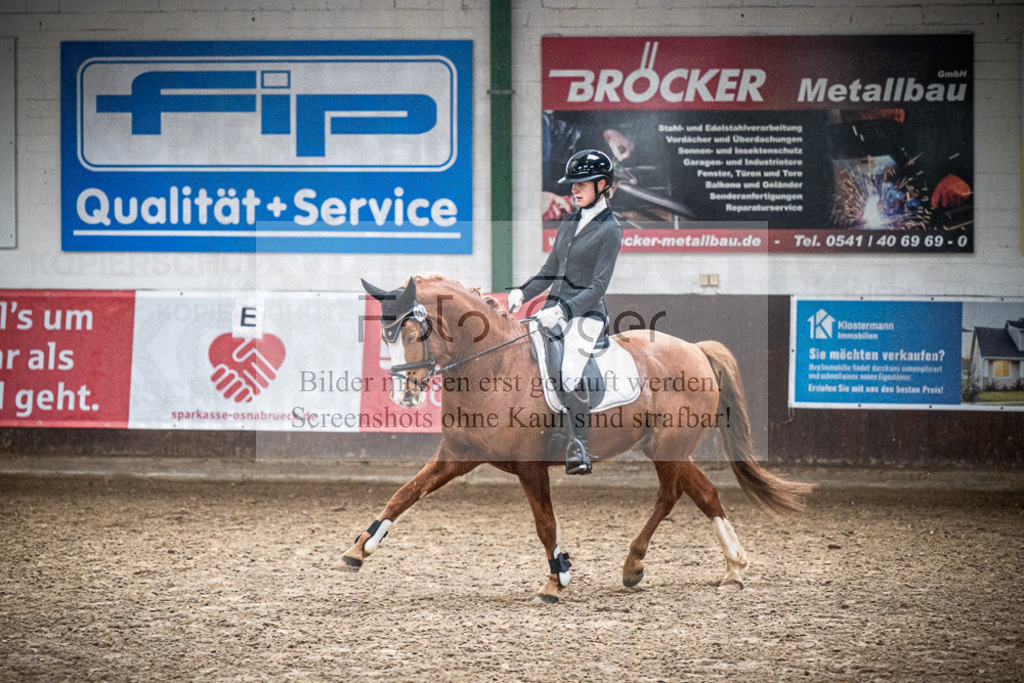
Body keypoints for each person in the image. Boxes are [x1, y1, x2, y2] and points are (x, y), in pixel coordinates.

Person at [509, 149, 623, 475]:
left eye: (581, 184)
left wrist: (565, 310)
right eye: (571, 184)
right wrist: (522, 291)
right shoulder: (570, 221)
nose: (573, 190)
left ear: (602, 184)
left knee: (570, 372)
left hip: (586, 315)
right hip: (551, 311)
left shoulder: (610, 229)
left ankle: (578, 446)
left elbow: (598, 287)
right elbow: (549, 271)